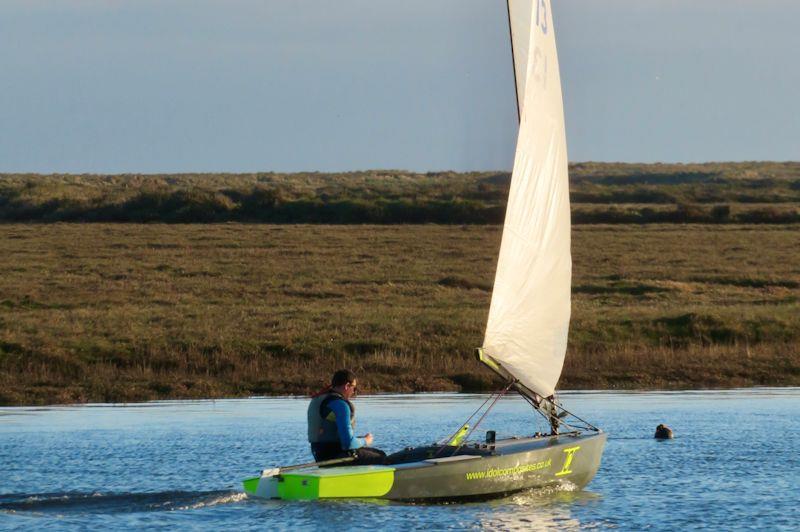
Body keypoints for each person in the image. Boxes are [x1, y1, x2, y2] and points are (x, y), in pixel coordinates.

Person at [307, 369, 386, 466]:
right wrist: (365, 440)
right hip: (337, 456)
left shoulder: (317, 400)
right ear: (346, 386)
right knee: (381, 456)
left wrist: (358, 440)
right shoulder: (341, 405)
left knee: (374, 452)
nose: (354, 392)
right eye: (354, 388)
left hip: (320, 456)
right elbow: (348, 444)